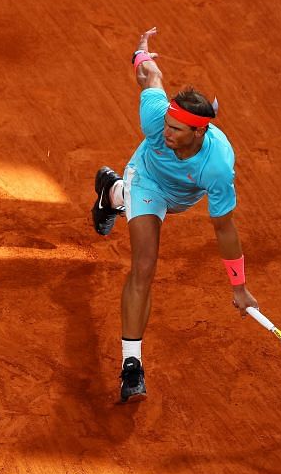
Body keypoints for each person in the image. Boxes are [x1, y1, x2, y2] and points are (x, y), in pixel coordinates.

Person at [91, 27, 259, 403]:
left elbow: (225, 229)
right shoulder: (156, 118)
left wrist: (238, 287)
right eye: (166, 124)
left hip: (183, 196)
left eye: (177, 129)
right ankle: (131, 366)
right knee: (145, 265)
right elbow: (151, 77)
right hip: (148, 179)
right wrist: (140, 53)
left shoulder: (218, 166)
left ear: (199, 132)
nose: (166, 132)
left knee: (129, 203)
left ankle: (111, 192)